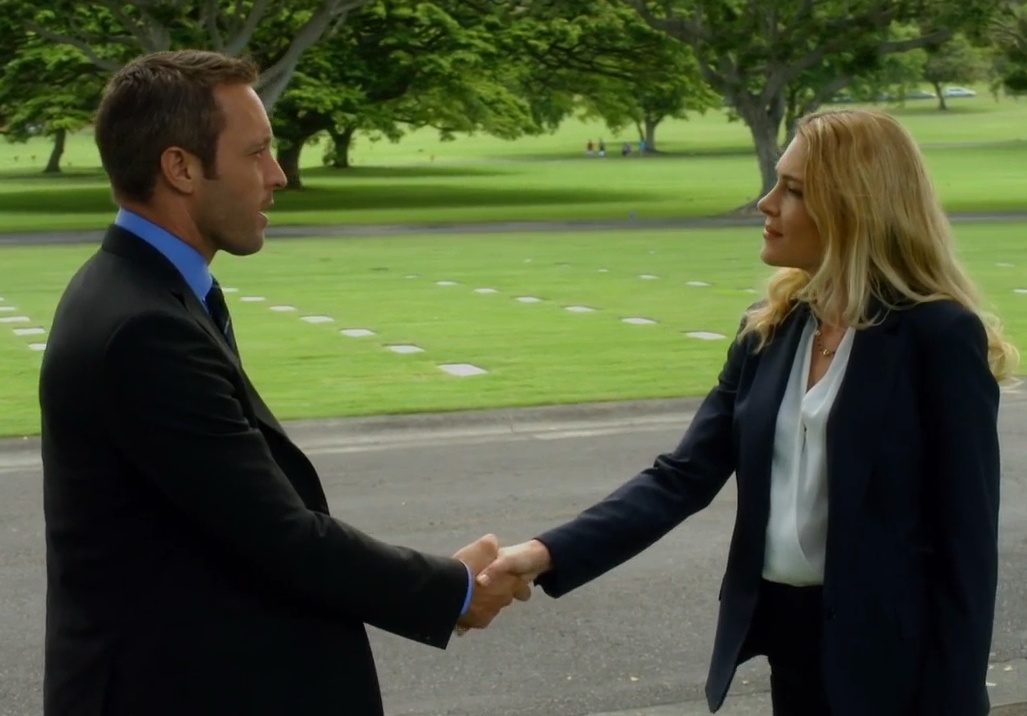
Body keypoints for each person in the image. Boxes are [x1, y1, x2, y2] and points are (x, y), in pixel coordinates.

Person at [480, 108, 1018, 716]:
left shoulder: (938, 336)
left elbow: (967, 546)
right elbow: (682, 477)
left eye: (793, 190)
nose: (766, 203)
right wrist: (545, 553)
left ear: (853, 208)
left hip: (900, 667)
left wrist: (954, 698)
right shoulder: (770, 329)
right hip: (789, 646)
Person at [39, 49, 528, 716]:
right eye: (256, 153)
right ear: (181, 168)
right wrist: (455, 589)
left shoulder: (142, 291)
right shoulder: (143, 328)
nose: (277, 175)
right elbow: (278, 536)